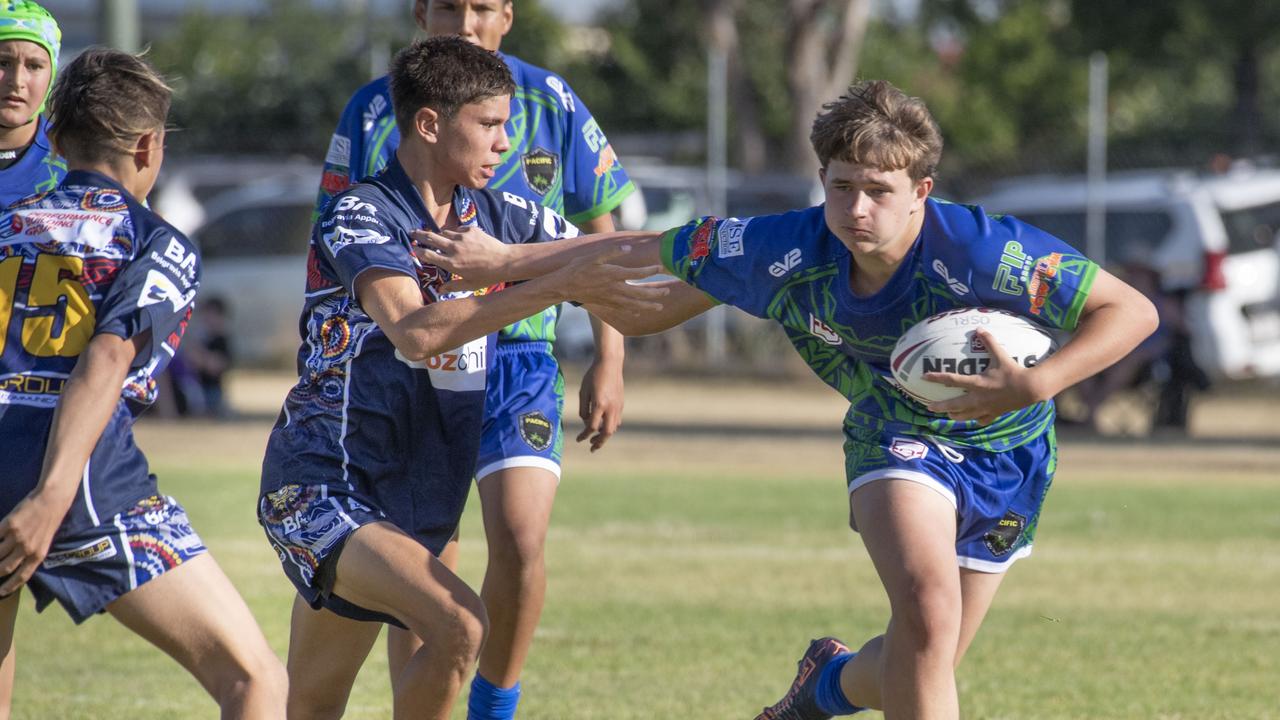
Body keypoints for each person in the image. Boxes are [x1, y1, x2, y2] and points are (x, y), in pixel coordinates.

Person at [414, 79, 1160, 719]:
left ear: (921, 193)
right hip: (894, 439)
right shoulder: (785, 248)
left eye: (879, 192)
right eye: (841, 186)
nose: (857, 208)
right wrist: (509, 259)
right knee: (929, 615)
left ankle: (828, 683)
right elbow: (642, 248)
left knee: (919, 658)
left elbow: (1132, 312)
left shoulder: (983, 251)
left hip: (1011, 450)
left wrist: (1036, 383)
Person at [261, 36, 661, 720]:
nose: (506, 141)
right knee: (460, 626)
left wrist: (747, 247)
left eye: (507, 122)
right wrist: (540, 282)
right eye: (489, 123)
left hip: (407, 505)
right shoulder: (363, 214)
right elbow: (416, 332)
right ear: (429, 124)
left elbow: (618, 246)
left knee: (310, 705)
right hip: (326, 489)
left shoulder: (500, 219)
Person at [0, 47, 287, 717]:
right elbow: (103, 363)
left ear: (55, 136)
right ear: (150, 146)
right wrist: (50, 497)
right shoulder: (153, 241)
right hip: (79, 487)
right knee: (255, 681)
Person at [0, 0, 66, 207]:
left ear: (52, 76)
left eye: (34, 66)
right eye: (3, 63)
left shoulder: (79, 157)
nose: (17, 81)